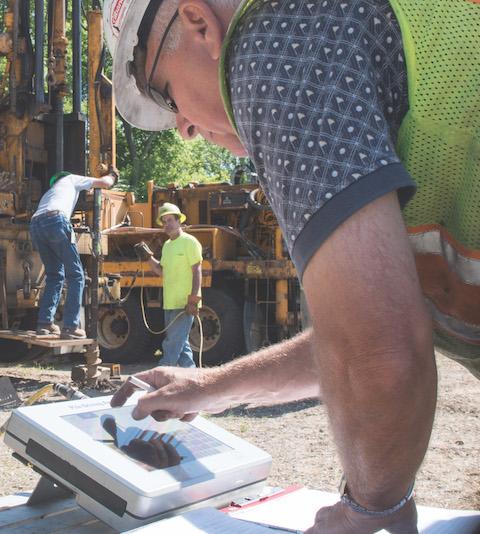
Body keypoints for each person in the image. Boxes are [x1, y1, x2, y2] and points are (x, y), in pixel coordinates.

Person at [103, 0, 479, 532]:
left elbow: (378, 353)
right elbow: (356, 338)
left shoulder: (272, 45)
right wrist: (210, 387)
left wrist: (371, 511)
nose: (183, 129)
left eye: (165, 94)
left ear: (198, 23)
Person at [31, 170, 117, 339]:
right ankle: (71, 326)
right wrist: (112, 175)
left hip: (35, 225)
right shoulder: (71, 179)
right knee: (76, 276)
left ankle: (45, 323)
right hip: (56, 221)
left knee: (55, 275)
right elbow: (105, 183)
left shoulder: (50, 193)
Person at [136, 202, 202, 368]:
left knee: (172, 344)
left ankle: (162, 374)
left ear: (179, 221)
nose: (167, 224)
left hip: (185, 303)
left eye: (170, 220)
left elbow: (197, 271)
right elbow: (161, 271)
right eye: (164, 221)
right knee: (182, 345)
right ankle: (191, 378)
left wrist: (193, 299)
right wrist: (148, 257)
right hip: (170, 303)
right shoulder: (167, 246)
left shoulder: (190, 242)